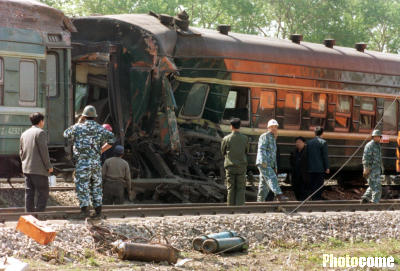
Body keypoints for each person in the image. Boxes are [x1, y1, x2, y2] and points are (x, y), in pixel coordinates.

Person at [64, 105, 114, 219]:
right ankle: (97, 212)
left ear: (84, 116)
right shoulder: (100, 128)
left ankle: (84, 211)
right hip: (96, 163)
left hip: (83, 163)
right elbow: (112, 140)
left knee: (82, 185)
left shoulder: (78, 127)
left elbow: (66, 134)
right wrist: (101, 150)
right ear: (95, 117)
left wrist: (78, 123)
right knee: (96, 186)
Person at [19, 112, 53, 212]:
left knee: (29, 192)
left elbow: (21, 151)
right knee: (43, 192)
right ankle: (39, 214)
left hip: (27, 168)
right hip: (38, 169)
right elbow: (44, 151)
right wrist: (48, 166)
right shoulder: (40, 133)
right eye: (43, 121)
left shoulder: (24, 133)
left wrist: (24, 163)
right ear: (41, 121)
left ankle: (29, 214)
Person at [256, 119, 288, 201]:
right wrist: (263, 162)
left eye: (275, 127)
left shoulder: (273, 138)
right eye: (271, 127)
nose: (274, 128)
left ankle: (260, 202)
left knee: (263, 185)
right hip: (264, 163)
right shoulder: (265, 136)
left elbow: (273, 154)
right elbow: (261, 149)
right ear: (268, 127)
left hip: (269, 164)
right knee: (272, 177)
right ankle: (279, 195)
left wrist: (275, 166)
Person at [221, 118, 249, 206]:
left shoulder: (226, 138)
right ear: (240, 126)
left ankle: (230, 208)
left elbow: (223, 151)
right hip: (241, 166)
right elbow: (246, 151)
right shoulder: (245, 138)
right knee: (240, 188)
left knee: (230, 188)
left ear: (231, 126)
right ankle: (240, 207)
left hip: (230, 167)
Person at [307, 126, 330, 200]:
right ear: (322, 133)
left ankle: (312, 197)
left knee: (312, 183)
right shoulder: (323, 142)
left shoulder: (309, 142)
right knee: (319, 184)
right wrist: (327, 167)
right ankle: (317, 197)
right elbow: (324, 156)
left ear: (315, 133)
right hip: (319, 168)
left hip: (310, 167)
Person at [361, 129, 383, 203]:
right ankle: (375, 202)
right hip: (371, 169)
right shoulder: (370, 145)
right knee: (377, 187)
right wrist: (366, 168)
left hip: (377, 169)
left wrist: (381, 168)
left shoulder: (378, 145)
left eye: (378, 136)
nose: (377, 138)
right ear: (373, 137)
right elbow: (365, 158)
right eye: (375, 136)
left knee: (372, 185)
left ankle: (365, 198)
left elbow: (379, 158)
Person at [289, 136, 308, 201]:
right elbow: (291, 162)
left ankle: (303, 203)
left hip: (304, 176)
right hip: (296, 175)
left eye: (299, 142)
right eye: (296, 142)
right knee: (296, 190)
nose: (298, 144)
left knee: (304, 192)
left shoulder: (308, 152)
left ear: (304, 143)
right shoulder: (293, 152)